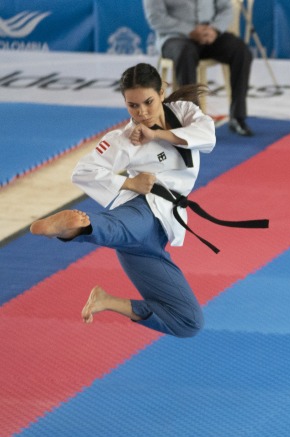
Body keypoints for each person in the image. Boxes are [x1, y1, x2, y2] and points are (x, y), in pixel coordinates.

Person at [29, 63, 216, 338]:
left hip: (156, 240)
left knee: (188, 322)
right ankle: (76, 226)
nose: (142, 112)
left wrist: (156, 134)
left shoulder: (184, 112)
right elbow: (83, 171)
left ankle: (106, 300)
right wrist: (129, 182)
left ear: (162, 92)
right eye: (133, 105)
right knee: (117, 228)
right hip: (143, 209)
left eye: (148, 102)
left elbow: (206, 135)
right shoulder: (124, 139)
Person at [143, 0, 254, 137]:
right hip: (175, 37)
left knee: (241, 51)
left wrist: (214, 29)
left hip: (210, 34)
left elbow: (225, 8)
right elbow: (156, 18)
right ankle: (192, 121)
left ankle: (237, 116)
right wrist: (189, 30)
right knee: (186, 53)